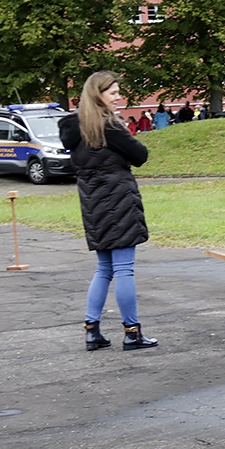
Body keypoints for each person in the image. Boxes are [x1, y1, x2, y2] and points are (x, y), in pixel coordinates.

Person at [58, 70, 158, 351]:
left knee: (104, 269)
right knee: (124, 269)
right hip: (119, 202)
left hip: (93, 205)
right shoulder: (109, 127)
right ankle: (132, 332)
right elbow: (141, 155)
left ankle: (92, 330)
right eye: (113, 93)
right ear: (98, 95)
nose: (118, 97)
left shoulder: (74, 128)